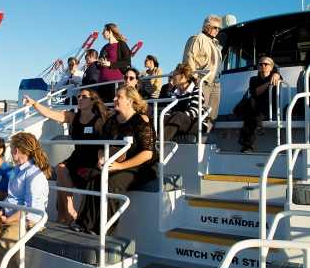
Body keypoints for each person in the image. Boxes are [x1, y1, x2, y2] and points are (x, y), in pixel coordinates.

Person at [71, 85, 159, 236]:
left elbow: (147, 154)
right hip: (116, 163)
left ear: (130, 101)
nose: (114, 99)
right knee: (94, 176)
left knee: (110, 182)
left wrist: (119, 166)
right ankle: (86, 223)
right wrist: (101, 158)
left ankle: (107, 233)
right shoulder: (111, 122)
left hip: (142, 167)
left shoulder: (141, 120)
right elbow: (102, 148)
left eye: (119, 96)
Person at [23, 89, 107, 224]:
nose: (80, 99)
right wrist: (34, 103)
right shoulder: (73, 117)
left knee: (59, 180)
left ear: (93, 101)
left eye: (84, 97)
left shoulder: (99, 123)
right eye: (78, 96)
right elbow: (51, 114)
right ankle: (69, 209)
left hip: (91, 160)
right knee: (61, 168)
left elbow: (105, 146)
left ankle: (63, 219)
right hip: (76, 158)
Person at [0, 132, 51, 249]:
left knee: (0, 246)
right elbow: (12, 197)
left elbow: (28, 207)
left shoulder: (34, 173)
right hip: (12, 215)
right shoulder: (18, 169)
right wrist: (2, 210)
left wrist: (7, 220)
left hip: (28, 220)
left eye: (11, 148)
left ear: (16, 150)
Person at [182, 14, 222, 132]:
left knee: (212, 116)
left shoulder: (214, 43)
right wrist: (194, 79)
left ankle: (209, 142)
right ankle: (200, 139)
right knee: (201, 111)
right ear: (206, 27)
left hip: (216, 83)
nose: (217, 31)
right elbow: (188, 59)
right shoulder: (198, 38)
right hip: (203, 81)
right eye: (215, 28)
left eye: (219, 28)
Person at [238, 57, 281, 153]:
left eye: (266, 64)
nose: (263, 66)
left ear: (271, 67)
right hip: (256, 107)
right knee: (252, 105)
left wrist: (276, 74)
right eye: (261, 64)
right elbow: (255, 92)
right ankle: (257, 125)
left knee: (251, 109)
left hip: (270, 106)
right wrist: (268, 84)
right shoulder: (253, 79)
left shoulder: (275, 76)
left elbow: (279, 77)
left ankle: (247, 146)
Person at [162, 64, 207, 141]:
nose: (172, 77)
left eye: (174, 74)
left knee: (179, 116)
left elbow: (194, 112)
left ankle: (157, 144)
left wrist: (172, 117)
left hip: (196, 125)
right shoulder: (174, 92)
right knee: (155, 118)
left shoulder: (196, 91)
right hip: (178, 122)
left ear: (182, 77)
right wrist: (166, 117)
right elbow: (168, 110)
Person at [97, 23, 132, 103]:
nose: (102, 33)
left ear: (110, 31)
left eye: (104, 31)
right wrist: (99, 63)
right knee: (101, 106)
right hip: (101, 81)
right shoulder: (104, 47)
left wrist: (110, 64)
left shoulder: (121, 45)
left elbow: (127, 61)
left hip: (114, 81)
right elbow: (100, 60)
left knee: (113, 105)